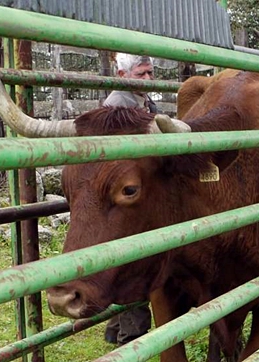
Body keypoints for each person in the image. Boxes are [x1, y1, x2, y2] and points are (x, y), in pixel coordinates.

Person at [102, 52, 157, 345]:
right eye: (141, 74)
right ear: (122, 76)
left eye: (150, 73)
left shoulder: (141, 101)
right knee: (132, 265)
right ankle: (130, 336)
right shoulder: (116, 107)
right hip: (123, 201)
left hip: (135, 196)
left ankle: (115, 329)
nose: (148, 79)